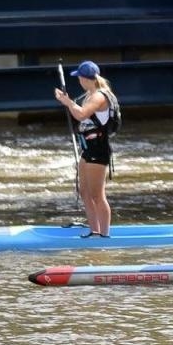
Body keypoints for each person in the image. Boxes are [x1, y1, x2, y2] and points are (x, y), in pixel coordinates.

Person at [53, 60, 118, 237]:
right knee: (85, 192)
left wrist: (67, 102)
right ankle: (94, 231)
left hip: (99, 149)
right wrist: (67, 103)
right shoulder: (89, 95)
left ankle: (104, 235)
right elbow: (80, 117)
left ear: (84, 78)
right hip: (88, 149)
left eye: (79, 78)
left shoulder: (99, 96)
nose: (78, 81)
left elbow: (81, 114)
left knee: (97, 195)